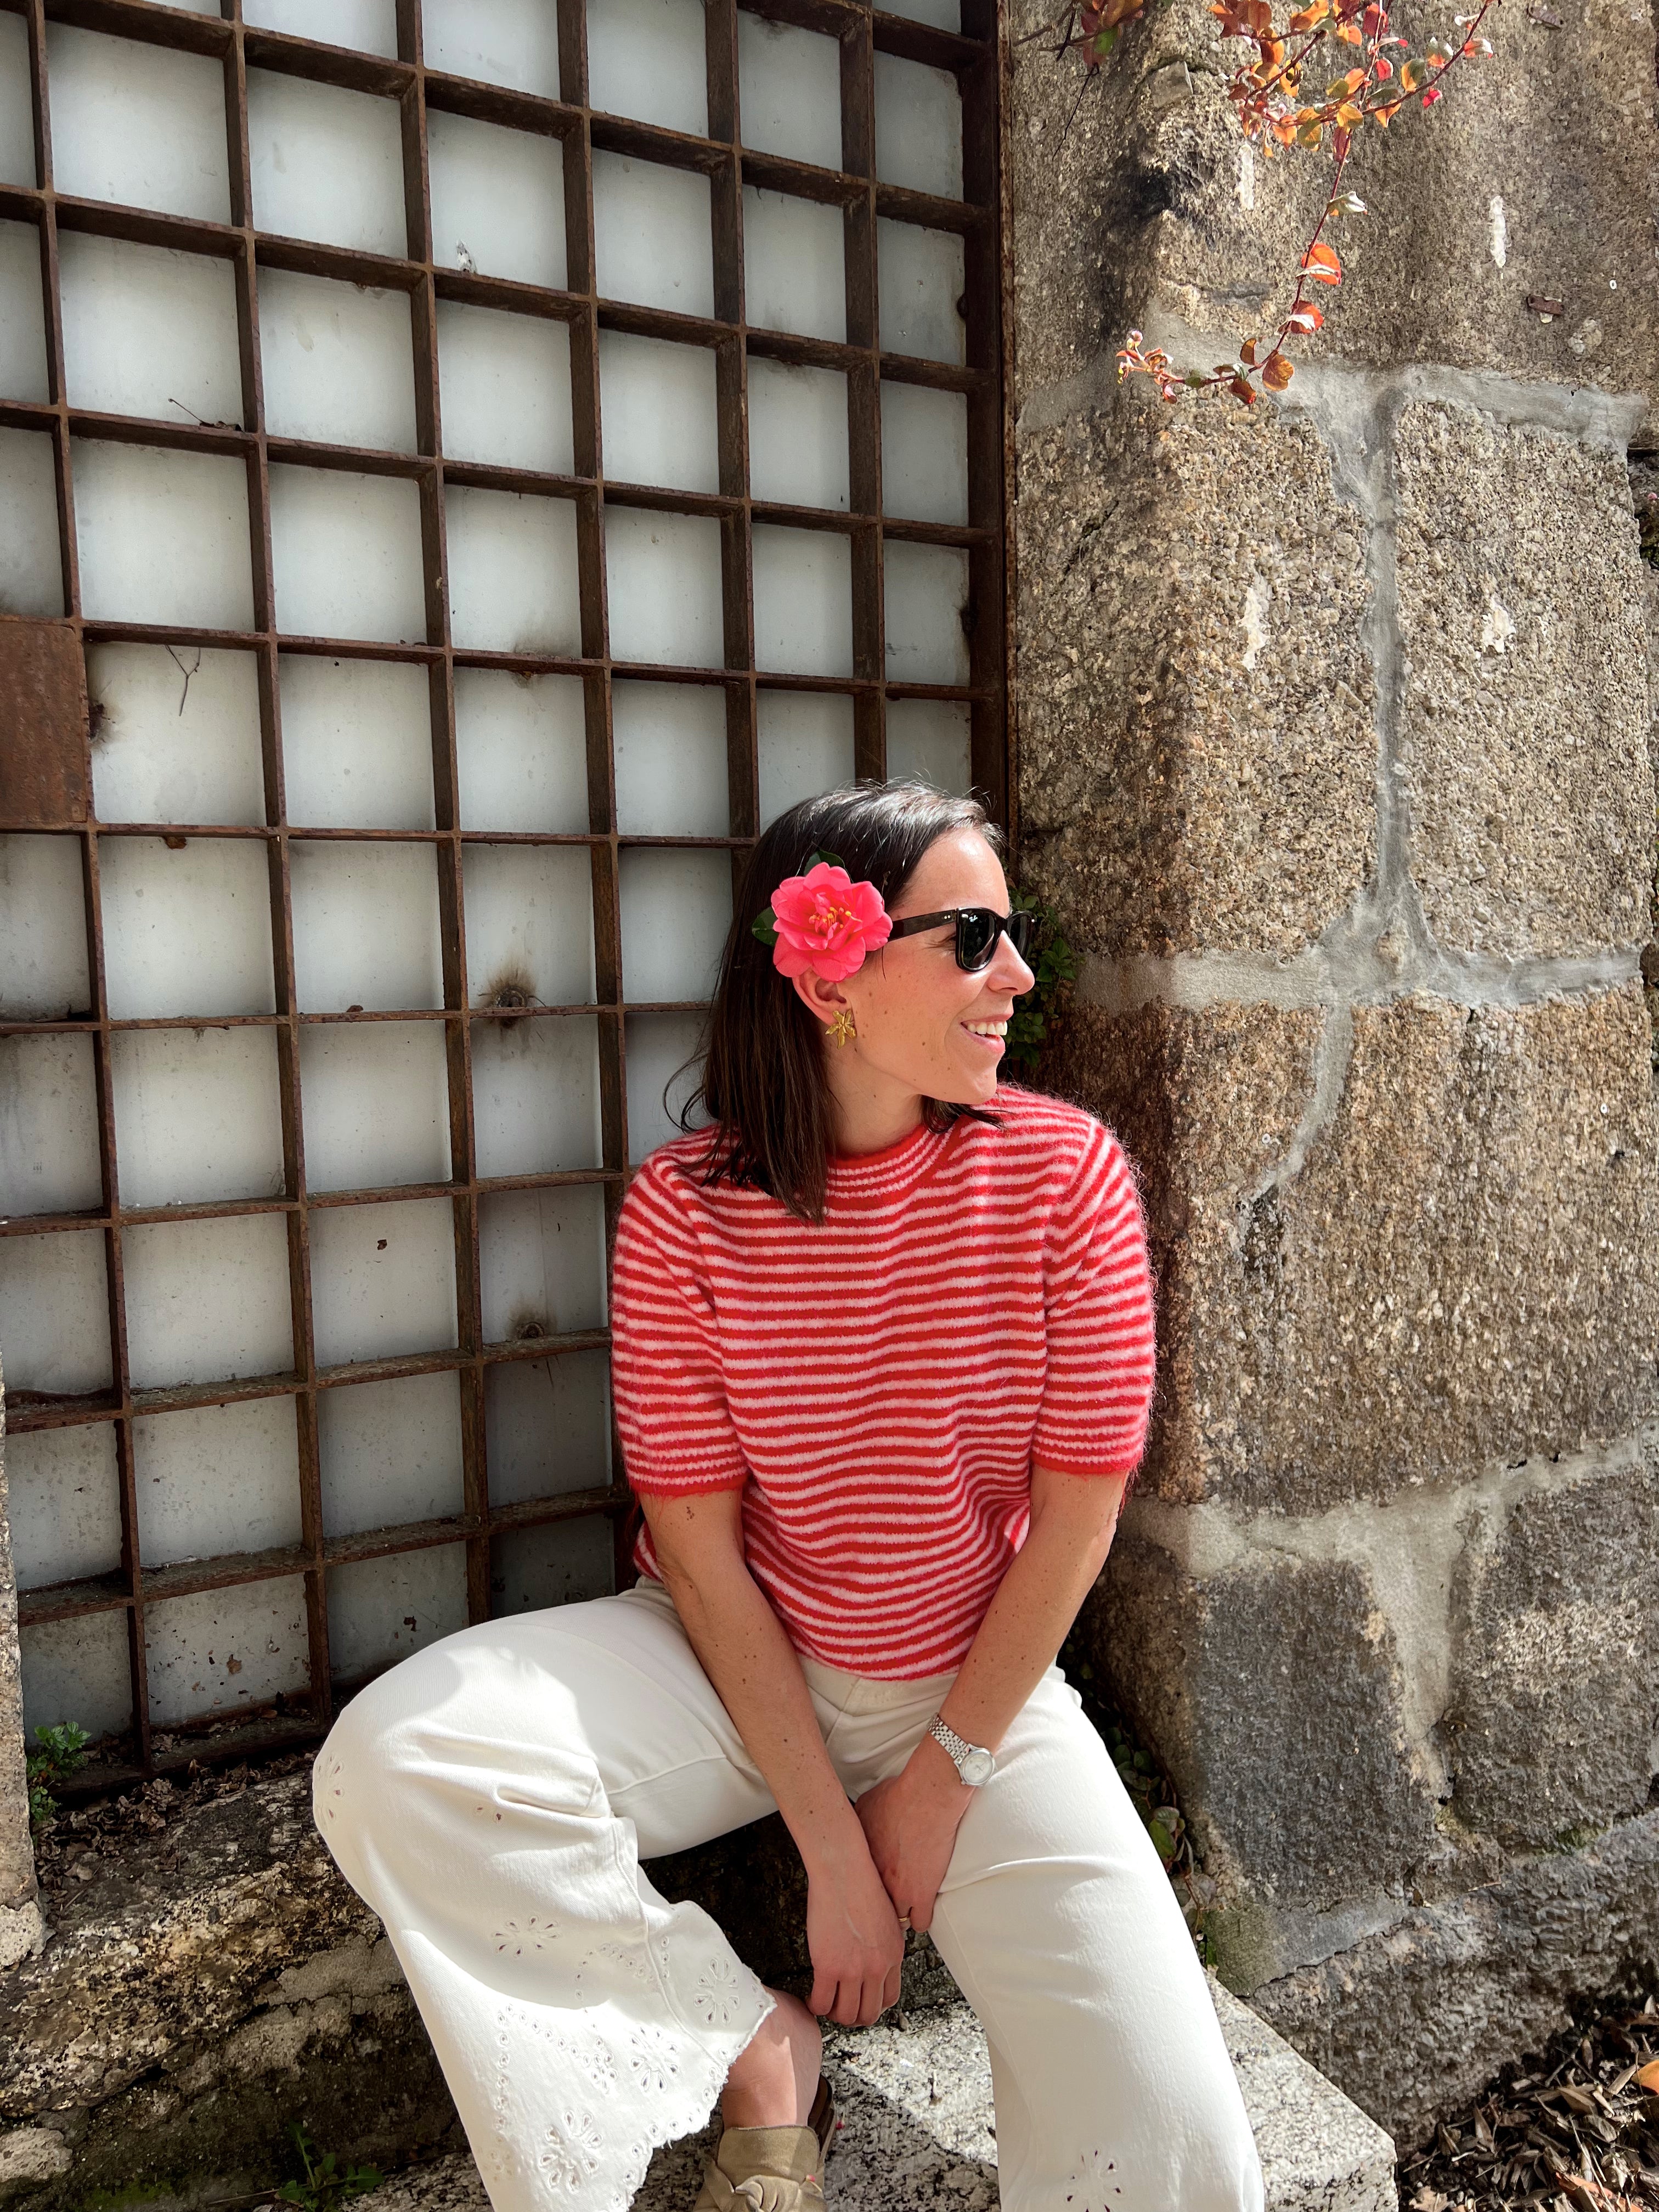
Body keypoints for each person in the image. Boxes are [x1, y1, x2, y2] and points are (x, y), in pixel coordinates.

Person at [313, 781, 1265, 2212]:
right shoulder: (684, 1209)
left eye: (1011, 936)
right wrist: (833, 1849)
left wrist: (942, 1779)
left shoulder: (1064, 1178)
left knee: (1177, 2149)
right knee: (397, 1764)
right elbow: (699, 1554)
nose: (1016, 974)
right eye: (974, 938)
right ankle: (753, 2051)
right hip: (723, 1661)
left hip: (970, 1690)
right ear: (829, 980)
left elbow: (1078, 1519)